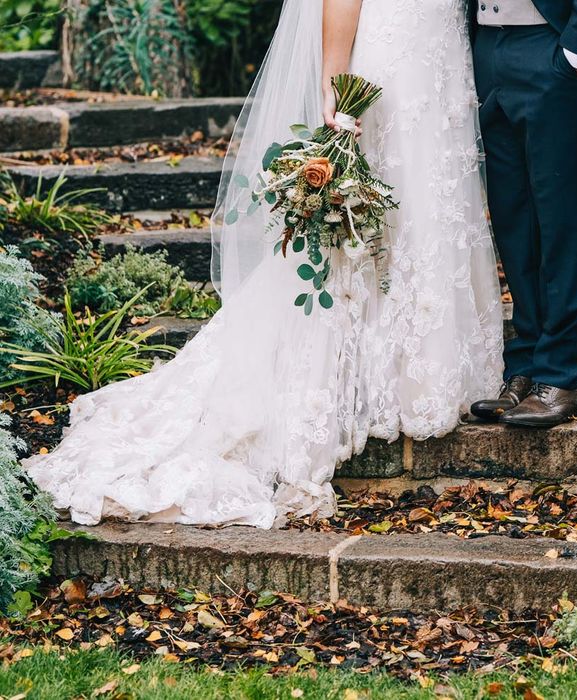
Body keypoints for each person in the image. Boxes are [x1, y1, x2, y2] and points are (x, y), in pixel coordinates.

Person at [24, 0, 504, 528]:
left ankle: (418, 371)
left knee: (428, 206)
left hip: (440, 57)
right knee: (384, 213)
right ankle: (363, 377)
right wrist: (335, 78)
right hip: (391, 56)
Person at [469, 0, 577, 428]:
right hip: (486, 47)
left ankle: (562, 375)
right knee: (513, 221)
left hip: (547, 46)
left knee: (558, 219)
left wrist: (574, 55)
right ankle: (527, 365)